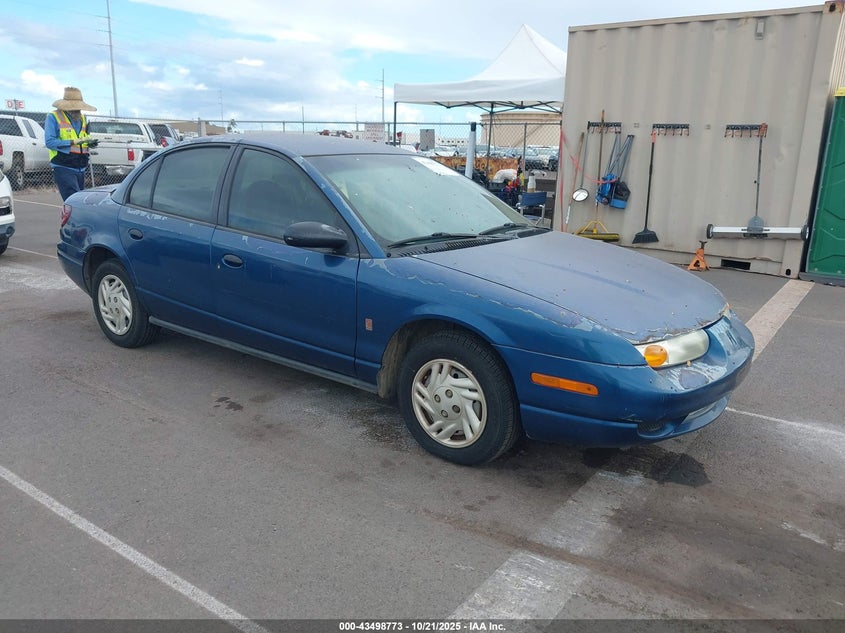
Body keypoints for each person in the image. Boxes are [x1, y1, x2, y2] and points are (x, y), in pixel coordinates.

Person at [45, 87, 98, 200]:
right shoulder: (53, 117)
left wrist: (89, 143)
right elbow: (49, 142)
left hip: (80, 166)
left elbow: (82, 138)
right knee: (73, 200)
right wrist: (73, 142)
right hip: (63, 165)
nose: (77, 109)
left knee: (78, 201)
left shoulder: (82, 118)